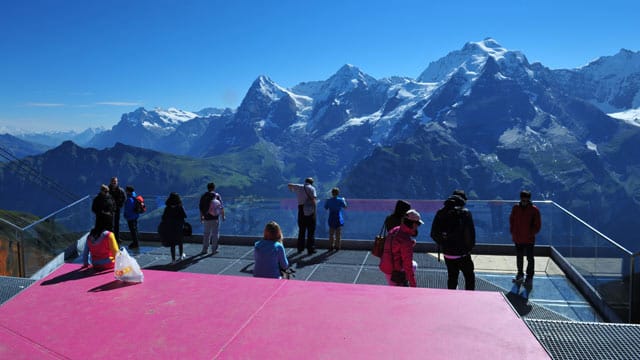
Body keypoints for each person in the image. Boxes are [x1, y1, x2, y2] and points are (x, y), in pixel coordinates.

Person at [430, 190, 476, 291]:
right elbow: (470, 234)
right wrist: (468, 249)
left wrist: (443, 243)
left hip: (447, 253)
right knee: (469, 277)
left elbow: (433, 233)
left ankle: (451, 297)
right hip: (462, 253)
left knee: (452, 277)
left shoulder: (441, 212)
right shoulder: (465, 213)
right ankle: (470, 297)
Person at [379, 209, 422, 287]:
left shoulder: (395, 229)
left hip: (385, 265)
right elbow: (407, 265)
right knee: (413, 265)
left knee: (392, 288)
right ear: (413, 224)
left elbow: (394, 245)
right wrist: (413, 285)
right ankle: (403, 281)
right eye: (418, 224)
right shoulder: (406, 240)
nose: (418, 227)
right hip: (395, 270)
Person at [509, 190, 542, 286]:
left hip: (529, 239)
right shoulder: (516, 208)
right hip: (518, 237)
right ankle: (520, 274)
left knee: (530, 258)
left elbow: (537, 225)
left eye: (526, 200)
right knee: (519, 257)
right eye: (523, 200)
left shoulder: (534, 210)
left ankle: (530, 276)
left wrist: (530, 234)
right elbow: (512, 220)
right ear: (520, 199)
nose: (524, 202)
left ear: (529, 200)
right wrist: (513, 232)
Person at [288, 177, 317, 255]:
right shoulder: (312, 188)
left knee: (302, 229)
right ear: (312, 183)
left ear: (305, 181)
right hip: (310, 209)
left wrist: (291, 190)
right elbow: (314, 199)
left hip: (301, 209)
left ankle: (300, 248)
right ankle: (310, 248)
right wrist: (314, 209)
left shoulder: (299, 186)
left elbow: (289, 185)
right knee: (311, 230)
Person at [159, 192, 187, 264]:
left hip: (170, 226)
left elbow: (164, 217)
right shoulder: (179, 206)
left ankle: (173, 259)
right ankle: (181, 255)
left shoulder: (167, 207)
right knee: (180, 241)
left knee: (172, 243)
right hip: (178, 226)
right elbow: (184, 216)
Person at [199, 182, 226, 254]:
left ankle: (204, 249)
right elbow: (221, 206)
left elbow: (201, 208)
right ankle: (214, 249)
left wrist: (201, 217)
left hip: (206, 218)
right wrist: (223, 215)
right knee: (215, 233)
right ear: (214, 188)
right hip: (215, 218)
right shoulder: (217, 196)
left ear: (207, 188)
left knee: (206, 234)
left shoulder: (203, 196)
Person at [108, 176, 126, 244]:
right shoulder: (108, 190)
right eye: (113, 181)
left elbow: (124, 198)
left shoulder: (120, 190)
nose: (114, 183)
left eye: (115, 181)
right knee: (110, 224)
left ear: (117, 182)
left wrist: (120, 205)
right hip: (109, 210)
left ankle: (117, 238)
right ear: (111, 182)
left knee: (117, 224)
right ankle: (111, 239)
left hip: (117, 209)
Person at [123, 185, 140, 249]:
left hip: (131, 217)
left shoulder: (129, 199)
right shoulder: (134, 196)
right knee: (135, 230)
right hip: (135, 215)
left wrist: (125, 215)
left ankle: (135, 243)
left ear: (128, 191)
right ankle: (136, 242)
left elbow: (127, 209)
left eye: (126, 190)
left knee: (133, 231)